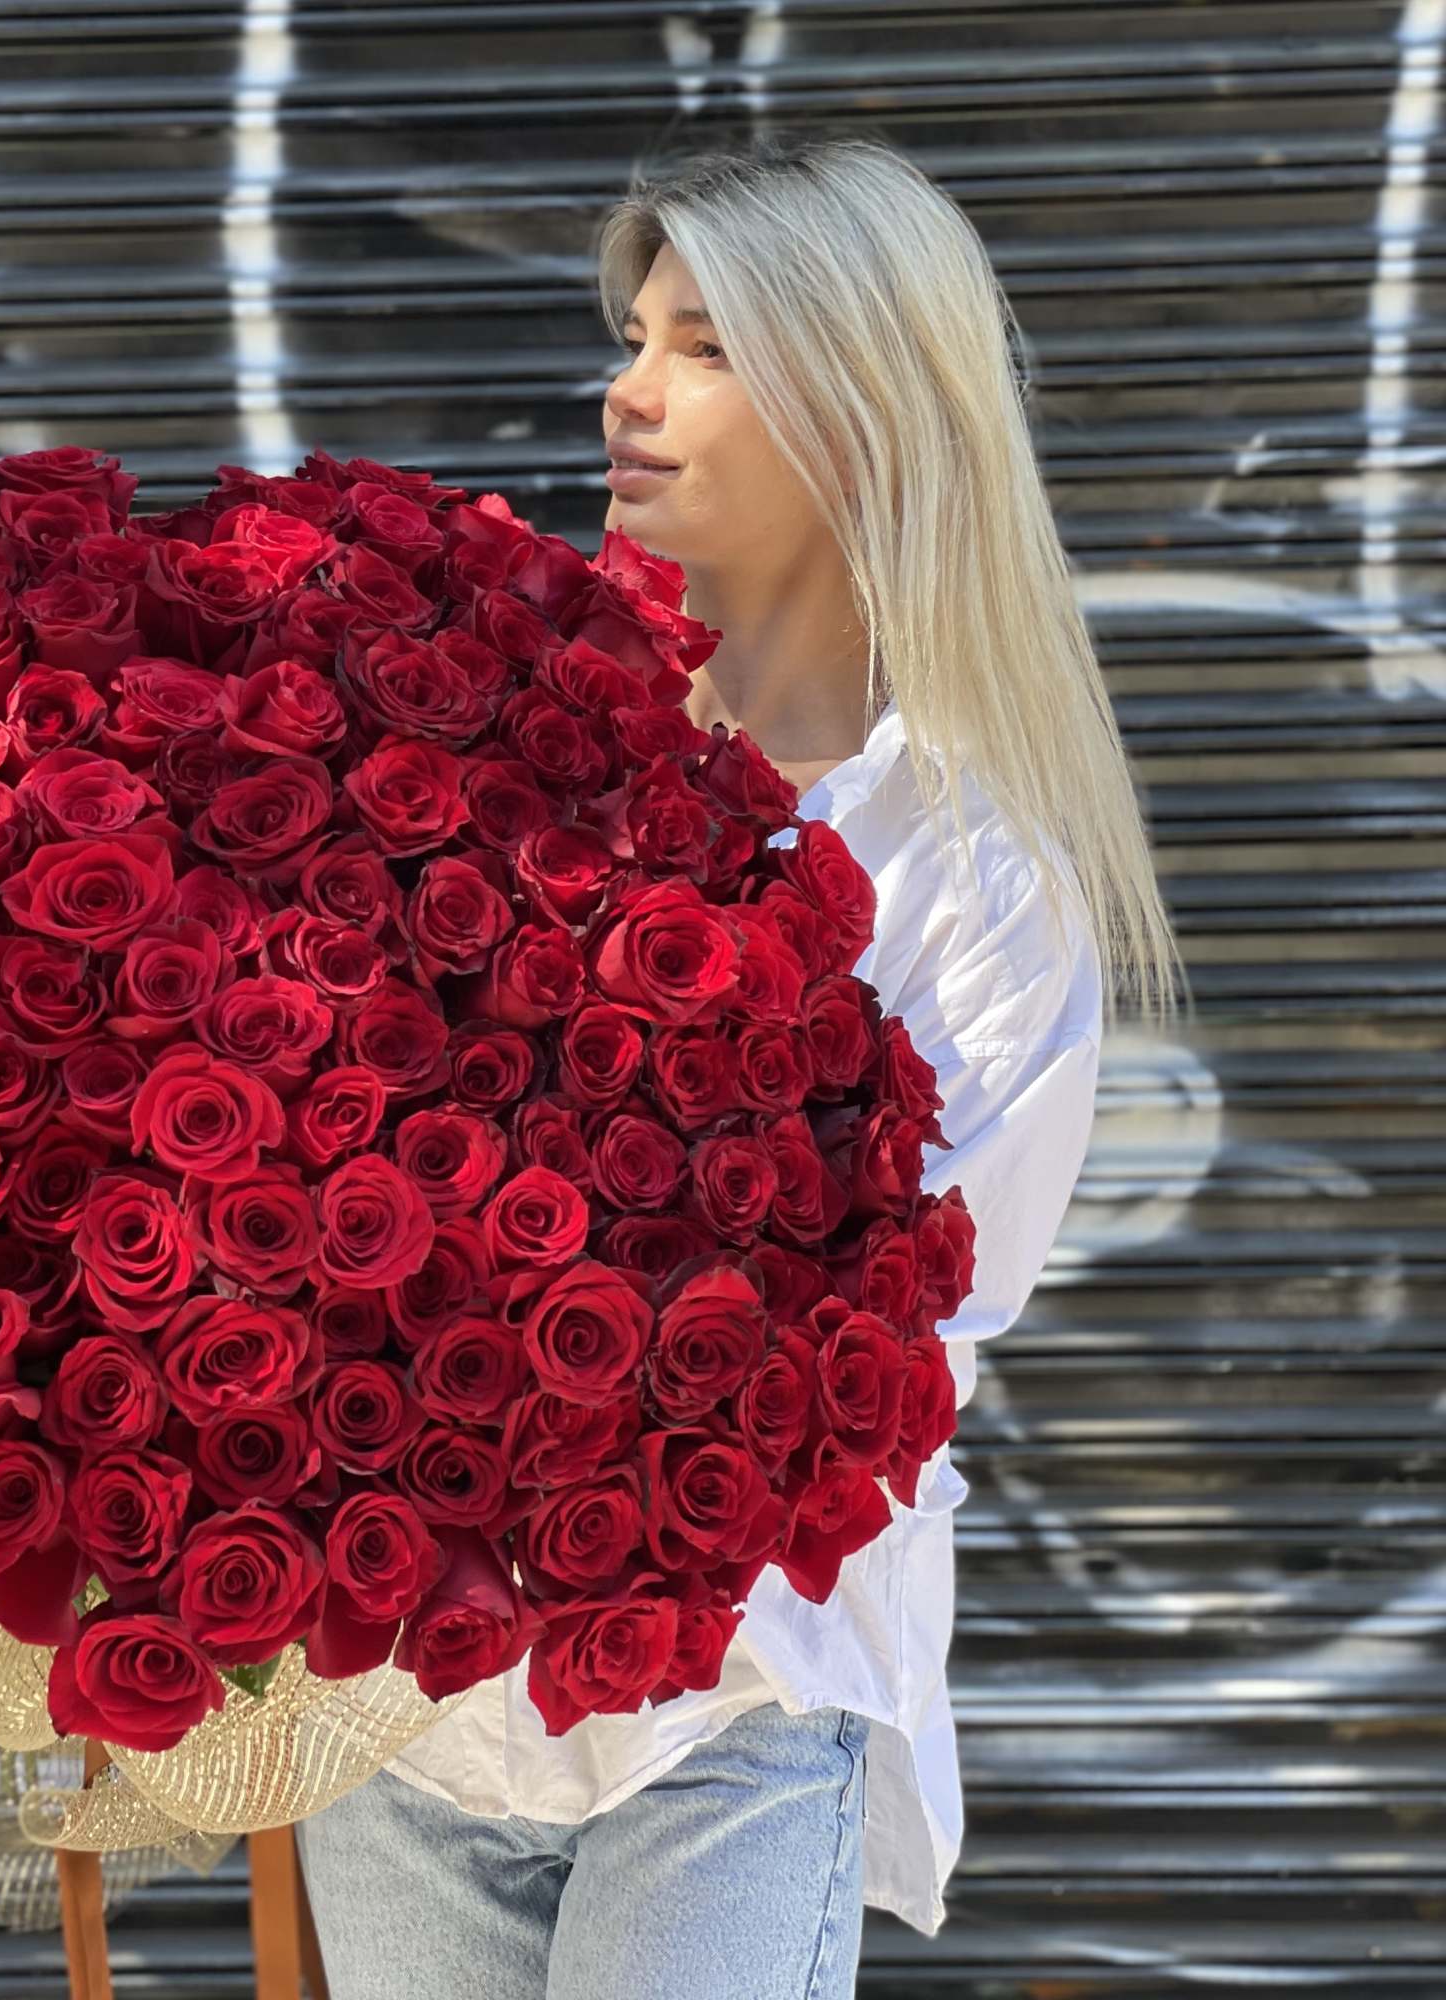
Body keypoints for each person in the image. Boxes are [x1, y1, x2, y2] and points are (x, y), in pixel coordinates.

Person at [294, 129, 1187, 1997]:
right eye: (636, 334)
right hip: (401, 1717)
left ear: (864, 402)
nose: (629, 390)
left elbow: (909, 1336)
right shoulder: (471, 762)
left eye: (704, 345)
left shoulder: (972, 873)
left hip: (738, 1701)